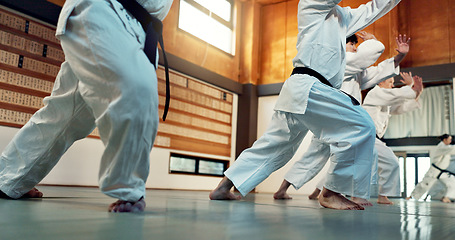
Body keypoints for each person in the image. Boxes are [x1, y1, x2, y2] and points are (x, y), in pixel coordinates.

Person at [210, 0, 402, 210]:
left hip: (302, 89)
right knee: (362, 124)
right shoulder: (311, 4)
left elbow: (375, 8)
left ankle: (222, 188)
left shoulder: (343, 17)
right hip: (311, 85)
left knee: (274, 146)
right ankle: (331, 192)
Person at [0, 0, 173, 212]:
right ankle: (128, 190)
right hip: (106, 10)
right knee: (136, 88)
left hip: (138, 30)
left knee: (65, 115)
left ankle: (10, 177)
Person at [273, 32, 409, 205]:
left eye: (355, 45)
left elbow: (380, 71)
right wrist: (373, 43)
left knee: (315, 156)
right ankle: (343, 194)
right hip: (335, 115)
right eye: (351, 44)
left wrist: (400, 56)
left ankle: (284, 190)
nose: (354, 47)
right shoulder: (338, 61)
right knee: (342, 154)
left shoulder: (358, 72)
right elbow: (364, 59)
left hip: (336, 118)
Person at [361, 72, 423, 204]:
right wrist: (411, 87)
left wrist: (416, 92)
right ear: (380, 82)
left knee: (390, 162)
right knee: (389, 162)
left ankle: (383, 195)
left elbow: (402, 107)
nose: (392, 85)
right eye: (390, 82)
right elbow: (395, 95)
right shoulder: (375, 93)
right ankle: (322, 190)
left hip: (372, 138)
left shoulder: (385, 101)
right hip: (365, 136)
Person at [408, 134, 455, 202]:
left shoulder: (446, 147)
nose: (450, 141)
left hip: (442, 172)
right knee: (425, 184)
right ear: (445, 140)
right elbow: (452, 149)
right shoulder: (441, 146)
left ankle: (447, 197)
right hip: (434, 171)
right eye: (449, 139)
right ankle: (412, 196)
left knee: (452, 183)